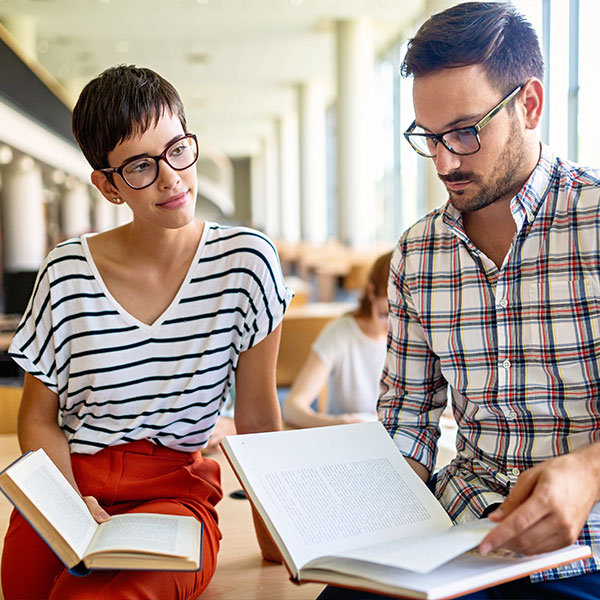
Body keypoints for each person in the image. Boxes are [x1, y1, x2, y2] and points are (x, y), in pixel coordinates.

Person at [318, 2, 600, 599]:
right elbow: (407, 420)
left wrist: (587, 472)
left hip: (585, 550)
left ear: (529, 104)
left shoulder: (595, 225)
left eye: (466, 132)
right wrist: (357, 522)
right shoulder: (418, 252)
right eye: (428, 137)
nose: (445, 160)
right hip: (455, 535)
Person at [1, 65, 292, 600]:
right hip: (70, 482)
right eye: (140, 166)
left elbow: (256, 414)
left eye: (177, 148)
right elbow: (38, 418)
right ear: (108, 186)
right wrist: (68, 503)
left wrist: (277, 538)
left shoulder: (247, 262)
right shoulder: (66, 272)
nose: (171, 177)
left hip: (174, 492)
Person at [283, 251, 392, 428]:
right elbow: (292, 407)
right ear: (371, 292)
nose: (394, 328)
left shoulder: (413, 337)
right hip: (349, 440)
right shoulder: (340, 333)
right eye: (385, 314)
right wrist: (335, 424)